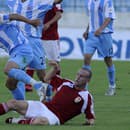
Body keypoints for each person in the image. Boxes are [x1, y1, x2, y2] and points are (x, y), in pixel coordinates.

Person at [0, 62, 95, 126]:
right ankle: (28, 119)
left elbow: (90, 117)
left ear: (88, 80)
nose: (78, 78)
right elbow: (46, 79)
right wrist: (54, 68)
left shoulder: (86, 97)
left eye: (82, 76)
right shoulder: (66, 83)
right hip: (44, 106)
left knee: (40, 121)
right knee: (13, 103)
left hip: (55, 118)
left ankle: (19, 121)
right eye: (77, 75)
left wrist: (89, 122)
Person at [6, 0, 63, 100]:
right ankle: (22, 107)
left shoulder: (39, 2)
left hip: (33, 43)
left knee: (42, 76)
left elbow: (57, 1)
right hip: (18, 45)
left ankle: (48, 97)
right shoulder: (13, 2)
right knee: (11, 82)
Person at [25, 3, 63, 92]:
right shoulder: (36, 2)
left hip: (51, 37)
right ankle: (28, 85)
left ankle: (55, 84)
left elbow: (59, 15)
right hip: (36, 36)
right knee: (32, 59)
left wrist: (48, 24)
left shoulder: (52, 2)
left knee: (54, 62)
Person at [83, 0, 116, 96]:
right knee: (87, 57)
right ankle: (84, 88)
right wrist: (87, 30)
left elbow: (109, 17)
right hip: (92, 35)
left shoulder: (107, 1)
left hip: (104, 34)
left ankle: (112, 86)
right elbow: (91, 18)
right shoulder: (89, 2)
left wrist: (100, 29)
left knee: (108, 59)